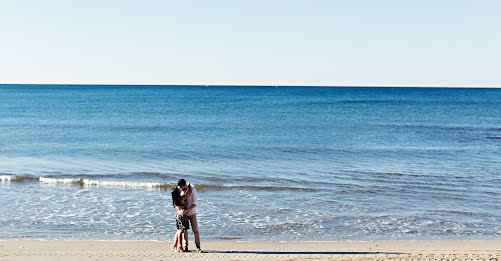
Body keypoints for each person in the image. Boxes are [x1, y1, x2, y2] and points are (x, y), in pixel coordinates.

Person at [178, 179, 202, 253]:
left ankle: (198, 247)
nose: (181, 189)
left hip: (192, 213)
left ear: (185, 185)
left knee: (195, 230)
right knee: (185, 230)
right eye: (180, 187)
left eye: (182, 187)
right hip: (184, 214)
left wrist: (187, 210)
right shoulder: (180, 191)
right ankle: (186, 246)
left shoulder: (193, 190)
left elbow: (195, 203)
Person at [171, 183, 191, 252]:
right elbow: (189, 194)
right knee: (181, 231)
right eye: (179, 190)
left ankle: (174, 245)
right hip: (181, 216)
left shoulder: (176, 199)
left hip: (179, 215)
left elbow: (176, 206)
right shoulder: (181, 198)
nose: (180, 190)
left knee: (179, 231)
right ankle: (180, 246)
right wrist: (189, 186)